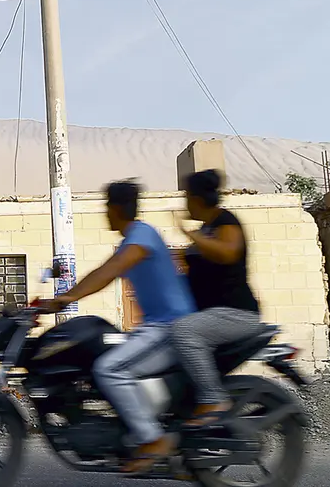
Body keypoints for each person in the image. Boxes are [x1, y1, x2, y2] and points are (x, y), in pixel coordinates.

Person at [41, 180, 196, 474]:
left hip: (170, 328)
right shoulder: (138, 236)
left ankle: (152, 440)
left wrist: (67, 297)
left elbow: (110, 270)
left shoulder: (140, 236)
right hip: (159, 327)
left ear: (115, 208)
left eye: (106, 207)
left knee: (109, 369)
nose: (105, 214)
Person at [172, 169, 265, 427]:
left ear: (197, 198)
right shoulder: (208, 228)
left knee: (184, 331)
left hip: (235, 313)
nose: (185, 203)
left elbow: (228, 253)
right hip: (211, 315)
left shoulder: (226, 222)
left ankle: (214, 399)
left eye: (187, 196)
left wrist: (192, 237)